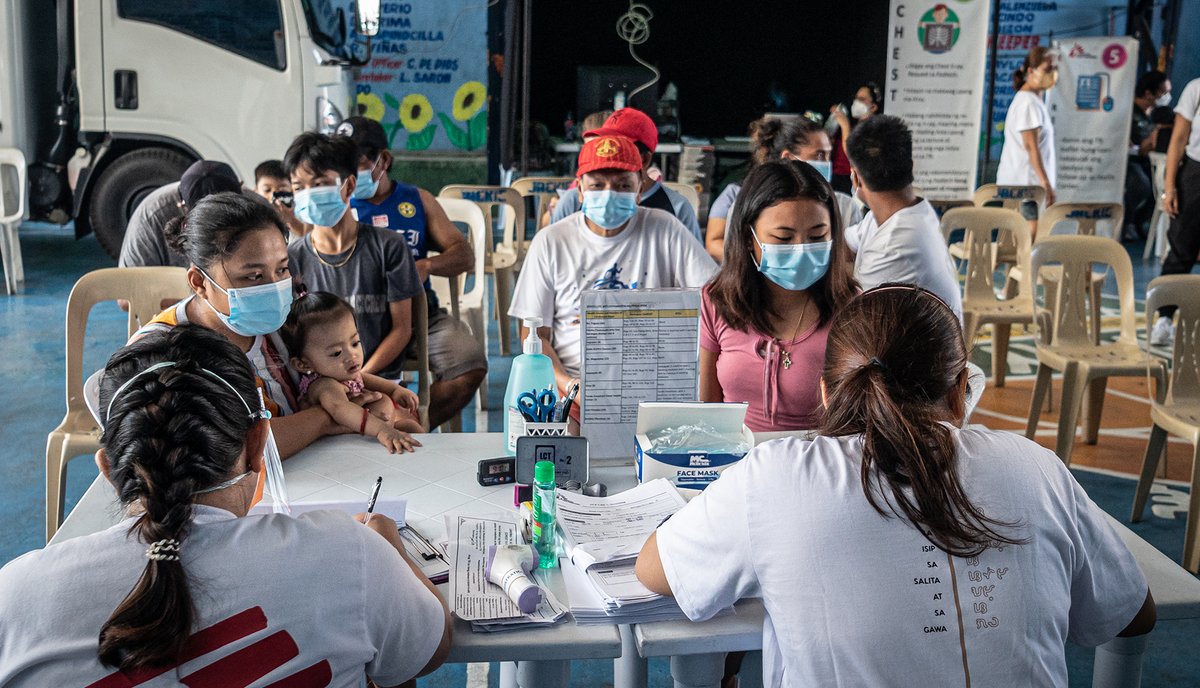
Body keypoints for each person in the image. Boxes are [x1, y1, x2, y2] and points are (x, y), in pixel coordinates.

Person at [636, 284, 1156, 687]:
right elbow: (1131, 614)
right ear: (959, 393)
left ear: (825, 392)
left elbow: (656, 571)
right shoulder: (1035, 466)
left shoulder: (775, 475)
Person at [0, 325, 450, 684]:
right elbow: (427, 650)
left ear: (108, 471)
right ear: (258, 444)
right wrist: (390, 547)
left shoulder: (16, 598)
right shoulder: (347, 554)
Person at [140, 192, 419, 456]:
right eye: (253, 277)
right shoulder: (162, 353)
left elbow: (350, 388)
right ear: (199, 282)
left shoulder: (288, 324)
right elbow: (231, 453)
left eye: (282, 269)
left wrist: (384, 408)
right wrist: (325, 417)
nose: (274, 288)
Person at [510, 135, 718, 394]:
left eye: (622, 185)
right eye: (597, 185)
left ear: (640, 190)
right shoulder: (551, 242)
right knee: (561, 435)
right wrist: (572, 388)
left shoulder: (666, 230)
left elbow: (715, 302)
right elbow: (535, 336)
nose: (609, 194)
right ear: (580, 192)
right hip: (574, 385)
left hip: (655, 386)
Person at [338, 116, 488, 429]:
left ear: (384, 160)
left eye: (359, 163)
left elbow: (464, 255)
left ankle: (413, 424)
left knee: (469, 362)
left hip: (421, 314)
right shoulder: (339, 206)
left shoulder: (416, 200)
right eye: (342, 165)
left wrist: (426, 266)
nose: (350, 174)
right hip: (357, 316)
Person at [701, 159, 857, 431]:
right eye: (783, 239)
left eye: (817, 237)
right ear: (749, 237)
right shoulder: (718, 300)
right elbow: (708, 410)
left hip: (819, 463)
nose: (801, 250)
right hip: (737, 466)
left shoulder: (853, 309)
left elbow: (855, 422)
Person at [284, 131, 424, 385]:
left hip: (380, 381)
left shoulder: (389, 246)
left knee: (400, 425)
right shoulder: (291, 260)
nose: (308, 194)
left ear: (348, 186)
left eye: (318, 184)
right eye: (298, 188)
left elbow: (402, 329)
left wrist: (362, 381)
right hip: (320, 389)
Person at [843, 115, 963, 318]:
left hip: (923, 349)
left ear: (855, 178)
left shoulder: (896, 242)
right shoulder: (899, 214)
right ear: (911, 165)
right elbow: (843, 246)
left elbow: (855, 316)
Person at [705, 115, 864, 261]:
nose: (826, 163)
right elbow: (715, 242)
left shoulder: (844, 205)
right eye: (783, 238)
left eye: (817, 237)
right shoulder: (739, 197)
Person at [281, 291, 423, 452]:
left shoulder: (341, 374)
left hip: (370, 434)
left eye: (355, 343)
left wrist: (395, 390)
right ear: (303, 364)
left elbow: (366, 378)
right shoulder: (323, 384)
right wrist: (381, 430)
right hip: (345, 445)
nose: (352, 355)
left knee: (412, 427)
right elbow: (340, 408)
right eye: (336, 353)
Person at [551, 108, 702, 242]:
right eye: (606, 143)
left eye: (622, 148)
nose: (609, 152)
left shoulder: (677, 208)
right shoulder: (573, 200)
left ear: (645, 159)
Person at [119, 160, 247, 268]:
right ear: (182, 206)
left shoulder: (258, 210)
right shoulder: (151, 216)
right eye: (207, 221)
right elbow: (128, 289)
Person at [1151, 75, 1200, 346]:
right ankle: (1164, 320)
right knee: (1181, 248)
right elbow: (1178, 141)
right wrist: (1170, 188)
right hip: (1195, 175)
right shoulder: (1195, 88)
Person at [998, 46, 1059, 224]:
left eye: (1055, 69)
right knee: (1028, 244)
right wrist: (1045, 184)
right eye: (1048, 69)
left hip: (1029, 186)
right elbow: (1031, 146)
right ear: (1031, 71)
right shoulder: (1027, 103)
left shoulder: (1033, 100)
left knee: (1027, 244)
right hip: (1027, 186)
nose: (1053, 73)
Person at [829, 82, 881, 194]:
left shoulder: (875, 130)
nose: (856, 102)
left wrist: (844, 126)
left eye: (862, 99)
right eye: (856, 98)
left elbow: (852, 153)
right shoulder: (852, 126)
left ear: (873, 106)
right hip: (835, 178)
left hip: (852, 181)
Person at [254, 159, 309, 242]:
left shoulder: (305, 212)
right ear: (255, 191)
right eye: (267, 190)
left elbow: (312, 242)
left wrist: (291, 220)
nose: (273, 196)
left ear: (292, 189)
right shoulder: (252, 217)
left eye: (281, 190)